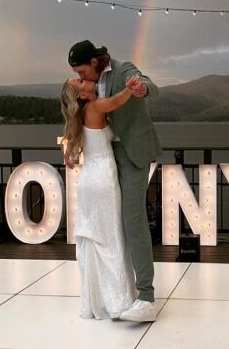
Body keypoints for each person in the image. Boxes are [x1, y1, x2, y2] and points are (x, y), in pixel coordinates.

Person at [66, 39, 163, 322]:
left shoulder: (122, 71)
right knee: (114, 225)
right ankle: (121, 292)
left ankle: (146, 297)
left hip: (132, 153)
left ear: (95, 62)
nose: (79, 77)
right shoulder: (85, 86)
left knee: (133, 219)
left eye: (81, 71)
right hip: (107, 157)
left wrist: (141, 88)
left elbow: (149, 85)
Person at [60, 73, 142, 319]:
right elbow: (116, 102)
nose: (84, 80)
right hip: (103, 178)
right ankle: (117, 301)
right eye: (80, 82)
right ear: (82, 94)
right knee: (110, 238)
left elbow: (72, 153)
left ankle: (98, 300)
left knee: (97, 239)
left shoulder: (80, 116)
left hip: (88, 181)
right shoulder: (94, 108)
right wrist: (130, 88)